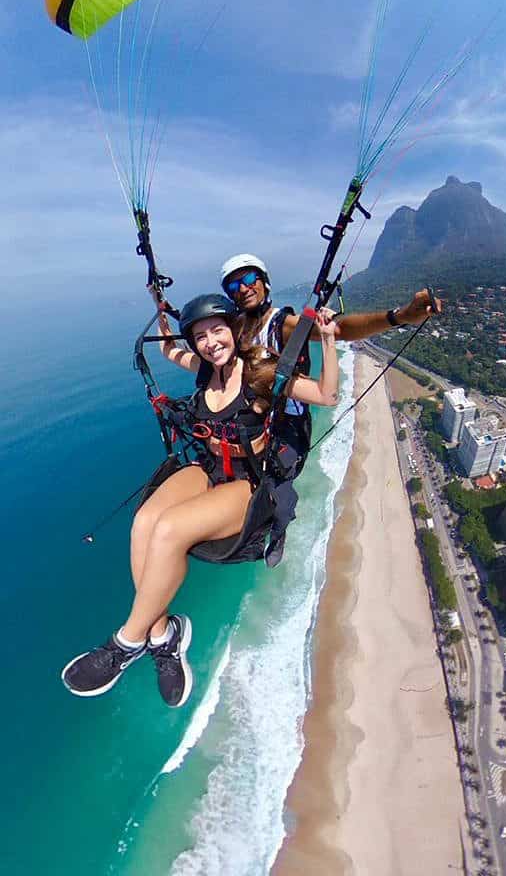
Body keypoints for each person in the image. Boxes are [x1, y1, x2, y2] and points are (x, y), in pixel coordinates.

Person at [61, 293, 339, 709]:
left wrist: (330, 341)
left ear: (233, 330)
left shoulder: (262, 372)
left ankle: (126, 643)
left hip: (248, 482)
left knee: (171, 530)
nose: (210, 342)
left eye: (217, 331)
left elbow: (325, 394)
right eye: (201, 337)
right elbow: (171, 351)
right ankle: (163, 636)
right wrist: (161, 311)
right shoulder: (202, 371)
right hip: (208, 468)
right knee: (145, 521)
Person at [218, 254, 441, 564]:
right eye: (233, 284)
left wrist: (399, 316)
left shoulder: (282, 324)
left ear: (264, 281)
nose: (242, 288)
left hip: (287, 426)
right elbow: (201, 333)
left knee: (275, 487)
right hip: (255, 418)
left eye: (248, 279)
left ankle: (280, 526)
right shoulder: (237, 327)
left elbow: (339, 329)